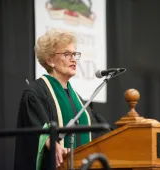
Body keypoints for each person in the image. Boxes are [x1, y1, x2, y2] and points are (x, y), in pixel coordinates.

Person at [14, 28, 110, 170]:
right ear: (50, 60)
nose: (73, 59)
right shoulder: (35, 92)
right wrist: (52, 143)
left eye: (74, 54)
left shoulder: (77, 98)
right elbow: (35, 126)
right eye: (67, 54)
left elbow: (101, 130)